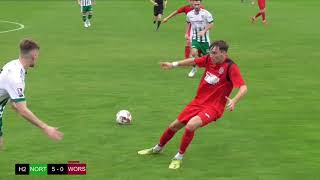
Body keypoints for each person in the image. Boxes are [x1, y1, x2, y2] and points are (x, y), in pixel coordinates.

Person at [138, 40, 248, 169]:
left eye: (214, 53)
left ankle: (178, 157)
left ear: (223, 53)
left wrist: (234, 100)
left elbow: (243, 87)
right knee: (174, 126)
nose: (211, 56)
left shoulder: (230, 67)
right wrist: (173, 64)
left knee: (191, 125)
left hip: (213, 107)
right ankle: (157, 149)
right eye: (210, 53)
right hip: (198, 102)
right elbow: (194, 61)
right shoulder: (209, 59)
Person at [0, 39, 64, 150]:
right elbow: (23, 110)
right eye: (37, 55)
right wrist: (45, 127)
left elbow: (4, 86)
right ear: (34, 56)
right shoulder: (16, 78)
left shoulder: (13, 64)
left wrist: (12, 101)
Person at [186, 0, 213, 77]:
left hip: (205, 40)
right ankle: (194, 69)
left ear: (200, 4)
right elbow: (188, 23)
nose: (197, 6)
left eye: (198, 4)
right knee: (193, 53)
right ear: (193, 5)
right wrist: (186, 33)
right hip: (195, 38)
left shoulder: (206, 13)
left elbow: (211, 24)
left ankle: (211, 72)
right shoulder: (189, 14)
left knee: (209, 58)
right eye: (195, 4)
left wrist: (204, 31)